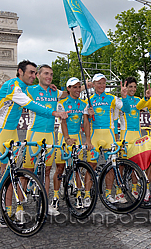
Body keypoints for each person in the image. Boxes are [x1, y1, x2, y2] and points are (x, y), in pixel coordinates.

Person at [0, 60, 68, 239]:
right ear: (20, 72)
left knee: (11, 174)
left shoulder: (24, 87)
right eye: (31, 73)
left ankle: (8, 212)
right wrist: (54, 113)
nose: (34, 76)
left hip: (12, 134)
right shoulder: (16, 87)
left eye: (35, 73)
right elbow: (32, 105)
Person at [22, 64, 66, 216]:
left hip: (50, 135)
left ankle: (45, 204)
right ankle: (20, 207)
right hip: (34, 134)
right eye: (46, 73)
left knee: (47, 171)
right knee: (28, 171)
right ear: (38, 75)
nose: (49, 76)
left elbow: (68, 93)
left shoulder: (55, 91)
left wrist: (87, 85)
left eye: (51, 74)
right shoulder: (30, 90)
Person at [55, 77, 94, 209]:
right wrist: (66, 138)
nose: (77, 89)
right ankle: (55, 195)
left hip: (76, 136)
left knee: (77, 167)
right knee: (59, 168)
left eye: (79, 87)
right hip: (63, 137)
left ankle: (78, 195)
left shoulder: (83, 103)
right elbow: (63, 122)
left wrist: (87, 139)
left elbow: (86, 123)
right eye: (74, 87)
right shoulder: (62, 102)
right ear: (68, 89)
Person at [89, 73, 125, 203]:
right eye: (98, 83)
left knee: (111, 166)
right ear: (93, 85)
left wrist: (124, 96)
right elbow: (85, 121)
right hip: (95, 136)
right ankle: (87, 195)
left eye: (103, 82)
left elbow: (124, 108)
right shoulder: (88, 99)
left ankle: (109, 194)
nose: (101, 85)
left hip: (109, 135)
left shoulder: (112, 98)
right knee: (91, 165)